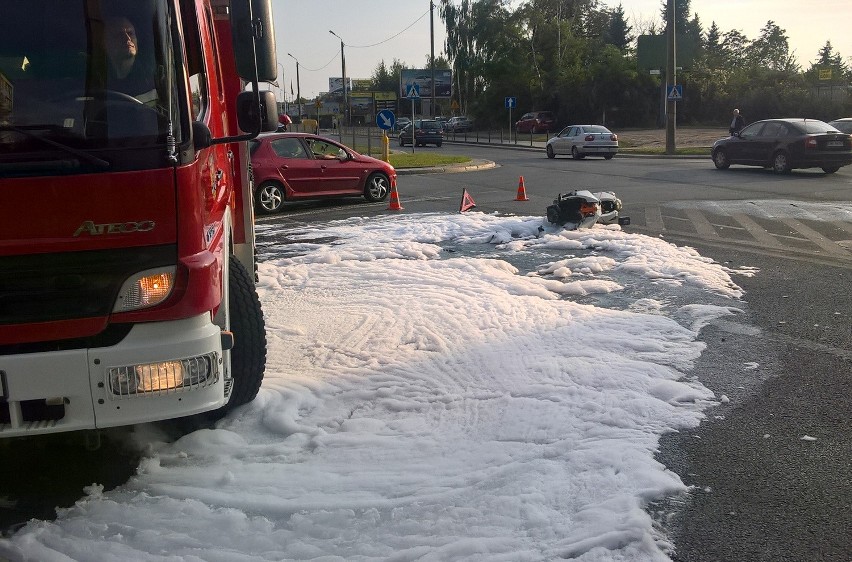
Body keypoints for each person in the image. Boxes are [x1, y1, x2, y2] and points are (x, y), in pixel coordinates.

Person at [103, 16, 158, 106]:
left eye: (130, 33)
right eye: (119, 35)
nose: (127, 38)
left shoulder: (153, 78)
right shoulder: (98, 80)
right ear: (106, 43)